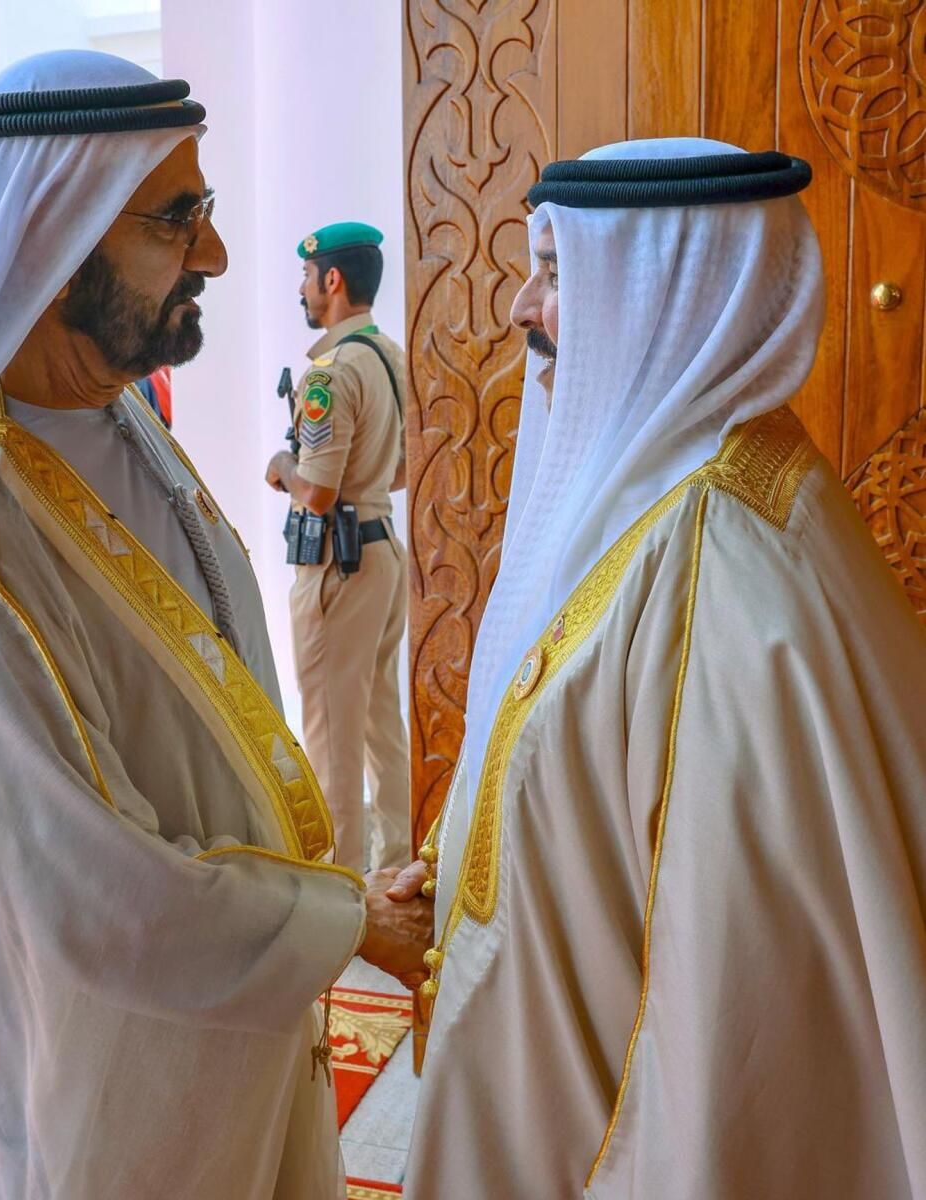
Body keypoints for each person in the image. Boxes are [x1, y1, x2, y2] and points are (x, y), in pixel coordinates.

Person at [0, 51, 430, 1200]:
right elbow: (92, 894)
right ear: (53, 240)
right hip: (113, 1095)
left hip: (238, 1035)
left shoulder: (119, 416)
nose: (216, 253)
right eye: (175, 219)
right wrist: (347, 922)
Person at [395, 140, 926, 1198]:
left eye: (556, 273)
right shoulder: (654, 489)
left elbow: (723, 1015)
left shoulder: (728, 565)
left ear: (667, 288)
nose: (522, 307)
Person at [264, 222, 409, 872]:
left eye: (306, 276)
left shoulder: (329, 375)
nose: (302, 289)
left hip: (337, 566)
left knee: (329, 733)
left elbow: (317, 495)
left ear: (332, 279)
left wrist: (282, 469)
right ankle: (395, 862)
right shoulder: (388, 356)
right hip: (380, 551)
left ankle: (341, 882)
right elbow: (401, 469)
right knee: (380, 722)